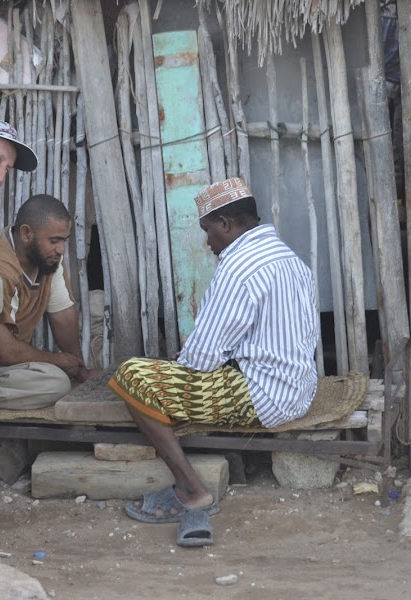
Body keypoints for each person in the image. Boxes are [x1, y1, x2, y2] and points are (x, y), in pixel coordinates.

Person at [107, 177, 319, 547]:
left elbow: (202, 361)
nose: (208, 243)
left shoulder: (238, 265)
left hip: (263, 395)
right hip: (298, 387)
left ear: (225, 225)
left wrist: (186, 359)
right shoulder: (287, 257)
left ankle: (191, 491)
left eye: (208, 231)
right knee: (168, 371)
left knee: (132, 375)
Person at [0, 194, 98, 417]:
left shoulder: (48, 262)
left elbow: (63, 314)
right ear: (27, 233)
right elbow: (6, 352)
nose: (61, 250)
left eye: (64, 241)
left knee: (56, 384)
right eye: (54, 240)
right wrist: (59, 360)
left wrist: (79, 370)